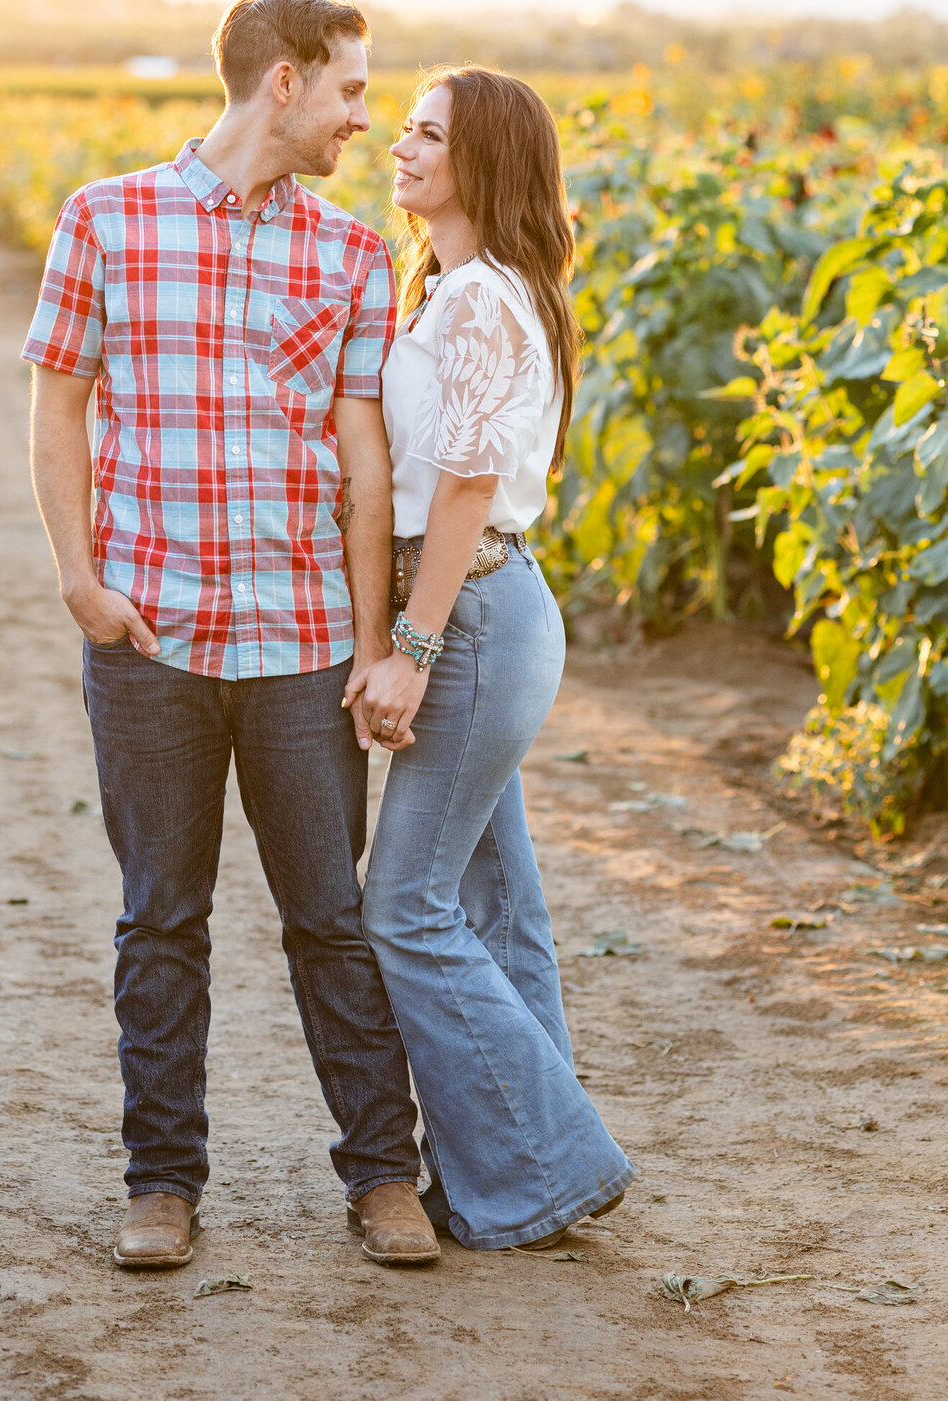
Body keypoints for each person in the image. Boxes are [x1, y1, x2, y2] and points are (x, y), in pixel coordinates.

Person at [21, 0, 439, 1270]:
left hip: (305, 643)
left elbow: (365, 468)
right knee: (161, 917)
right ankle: (162, 1184)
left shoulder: (353, 254)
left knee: (331, 917)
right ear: (284, 82)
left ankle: (381, 1176)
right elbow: (58, 413)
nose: (364, 117)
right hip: (149, 644)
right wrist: (82, 587)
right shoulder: (106, 219)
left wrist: (375, 644)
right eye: (352, 90)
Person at [350, 67, 635, 1251]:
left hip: (465, 610)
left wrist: (407, 647)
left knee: (404, 908)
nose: (401, 145)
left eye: (428, 132)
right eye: (406, 126)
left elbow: (463, 484)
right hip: (492, 605)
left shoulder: (476, 299)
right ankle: (505, 1177)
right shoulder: (474, 286)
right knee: (495, 900)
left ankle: (556, 1158)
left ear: (486, 164)